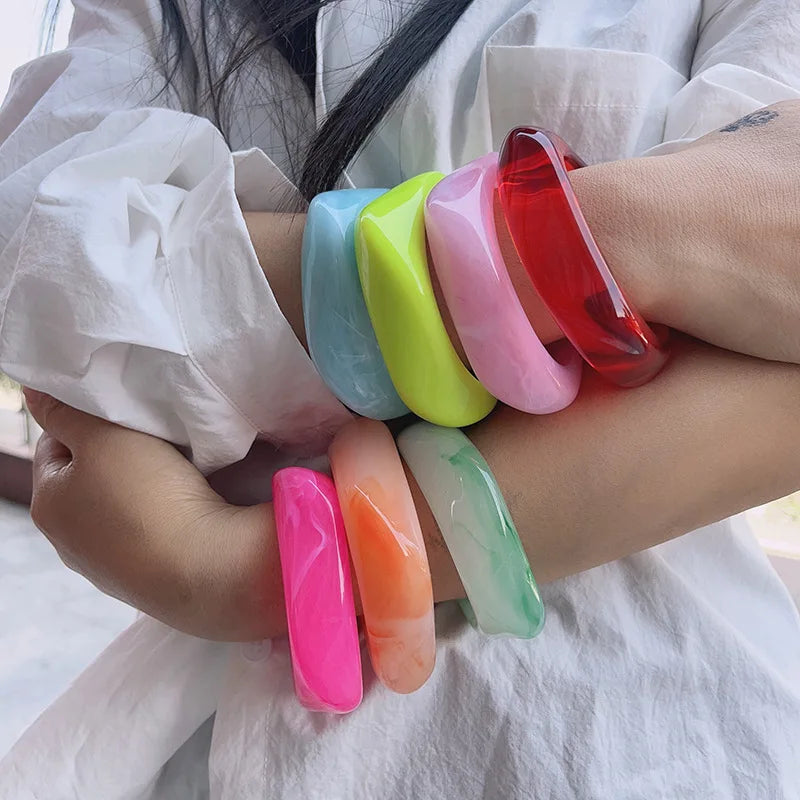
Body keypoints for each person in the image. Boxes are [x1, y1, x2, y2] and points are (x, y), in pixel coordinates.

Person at [1, 0, 799, 796]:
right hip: (223, 741)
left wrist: (251, 571)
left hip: (660, 722)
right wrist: (612, 236)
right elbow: (35, 256)